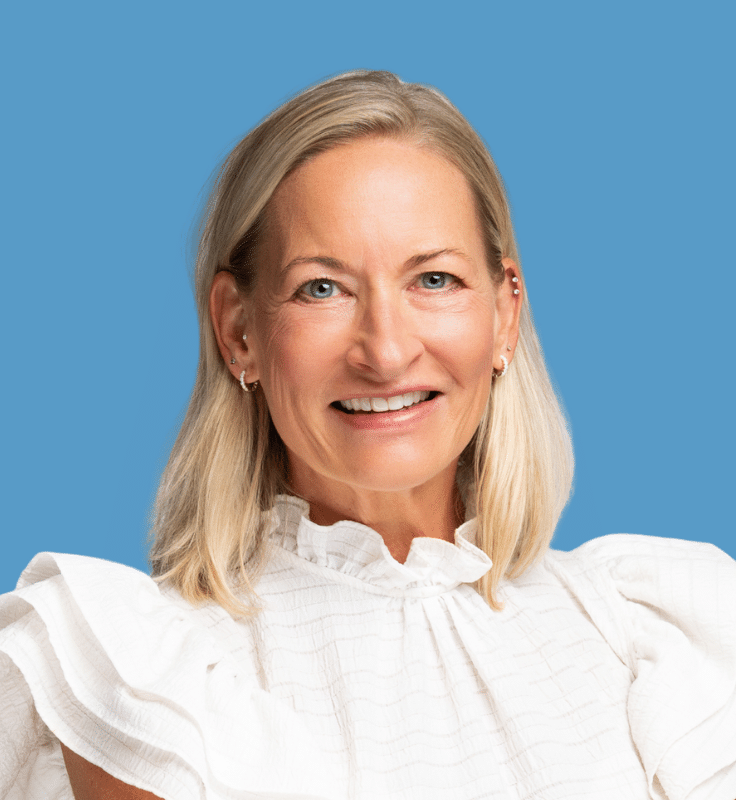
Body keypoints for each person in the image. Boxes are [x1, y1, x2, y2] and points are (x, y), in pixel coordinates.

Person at [1, 70, 734, 800]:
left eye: (435, 280)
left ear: (505, 315)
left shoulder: (656, 634)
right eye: (323, 288)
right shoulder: (133, 675)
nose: (385, 351)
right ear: (238, 330)